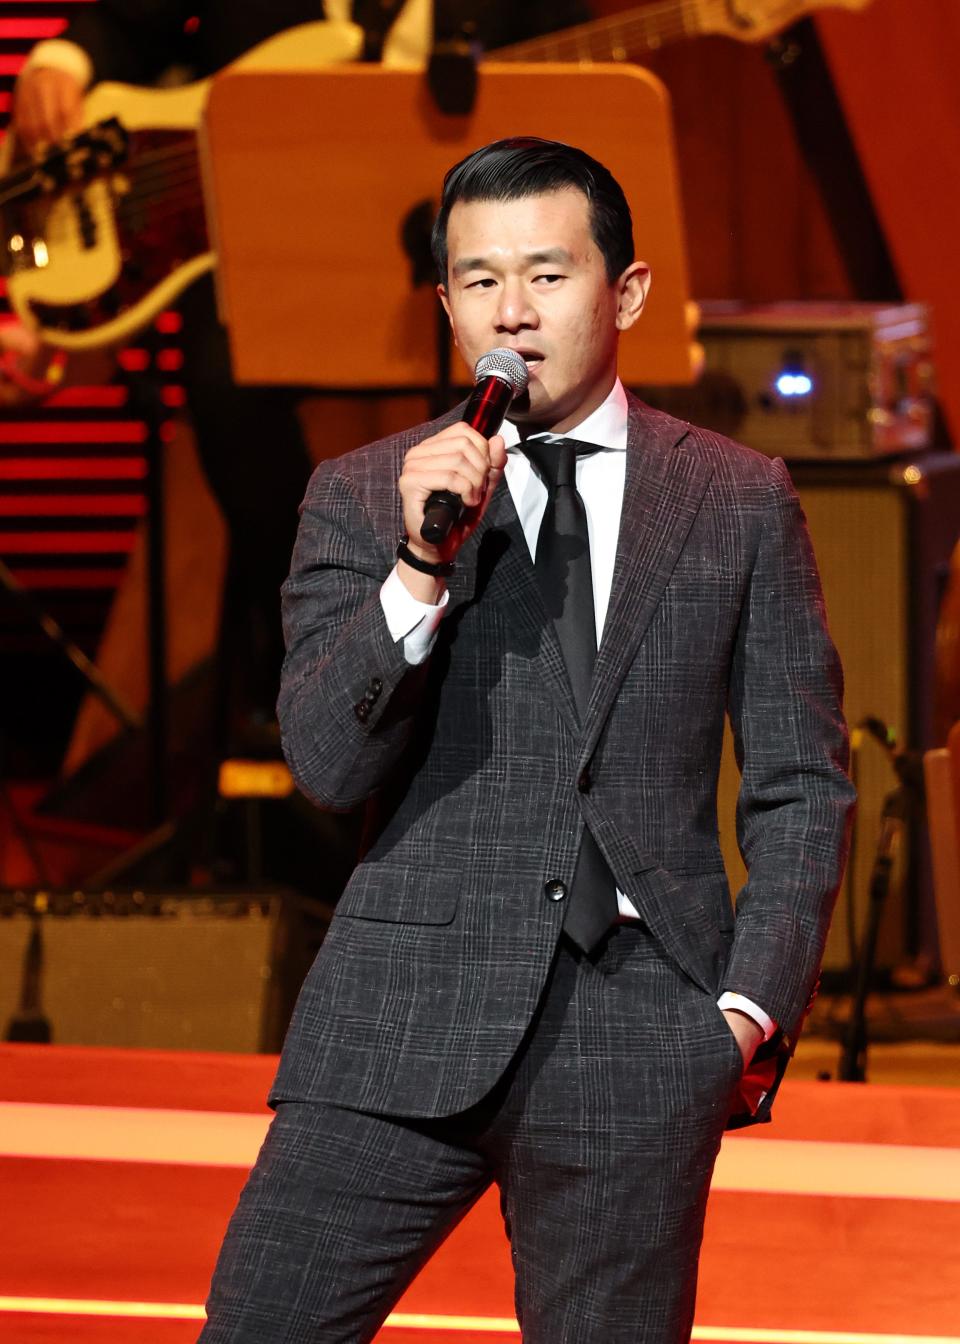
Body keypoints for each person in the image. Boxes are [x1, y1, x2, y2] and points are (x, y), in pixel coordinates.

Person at [196, 137, 855, 1342]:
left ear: (628, 292)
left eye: (547, 276)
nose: (513, 312)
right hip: (398, 1012)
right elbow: (328, 766)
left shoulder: (737, 497)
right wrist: (416, 569)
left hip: (640, 1030)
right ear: (445, 304)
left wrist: (744, 1012)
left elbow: (803, 783)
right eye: (479, 281)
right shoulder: (363, 493)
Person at [11, 1, 589, 753]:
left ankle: (502, 682)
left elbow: (573, 86)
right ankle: (312, 651)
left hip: (454, 268)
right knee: (223, 378)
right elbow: (130, 21)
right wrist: (62, 62)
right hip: (261, 260)